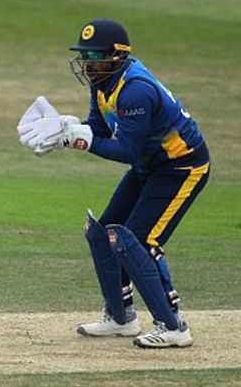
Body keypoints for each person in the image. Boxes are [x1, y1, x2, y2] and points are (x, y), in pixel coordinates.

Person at [19, 18, 210, 348]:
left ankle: (173, 325)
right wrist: (65, 129)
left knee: (136, 239)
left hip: (181, 168)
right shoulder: (103, 82)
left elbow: (124, 148)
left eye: (94, 57)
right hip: (148, 165)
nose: (87, 65)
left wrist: (79, 141)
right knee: (103, 231)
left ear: (117, 56)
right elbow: (99, 128)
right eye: (85, 57)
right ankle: (121, 317)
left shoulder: (135, 90)